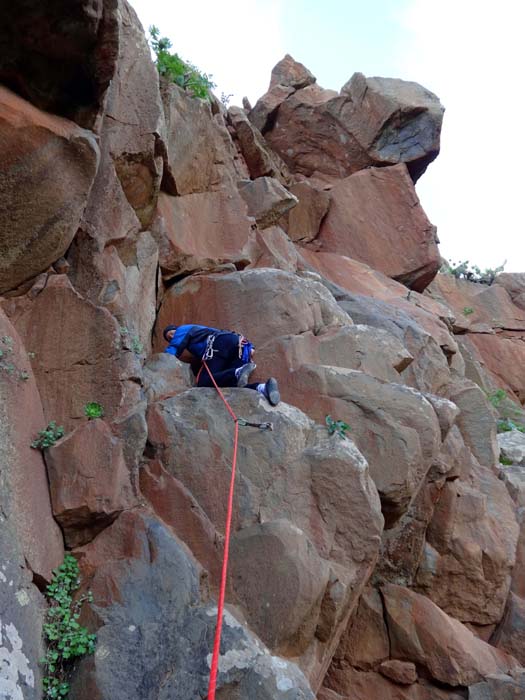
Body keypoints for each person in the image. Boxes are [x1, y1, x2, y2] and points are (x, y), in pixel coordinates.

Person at [163, 324, 280, 406]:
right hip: (240, 345)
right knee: (232, 386)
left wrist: (163, 360)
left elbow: (173, 349)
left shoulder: (183, 329)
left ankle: (237, 372)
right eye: (169, 338)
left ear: (176, 329)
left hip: (219, 343)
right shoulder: (204, 330)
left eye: (172, 334)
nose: (172, 337)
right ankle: (263, 388)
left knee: (204, 382)